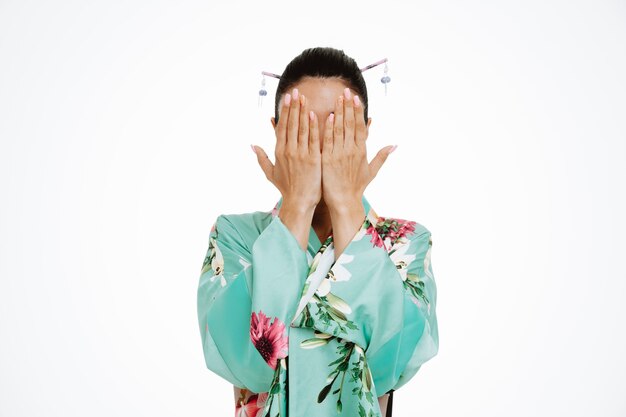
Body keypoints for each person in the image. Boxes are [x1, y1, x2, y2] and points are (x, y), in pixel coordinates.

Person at [197, 47, 439, 417]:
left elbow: (390, 367)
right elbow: (250, 366)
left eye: (337, 125)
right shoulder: (235, 236)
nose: (321, 144)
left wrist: (346, 205)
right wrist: (296, 203)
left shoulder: (405, 243)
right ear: (278, 131)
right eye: (302, 126)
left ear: (364, 132)